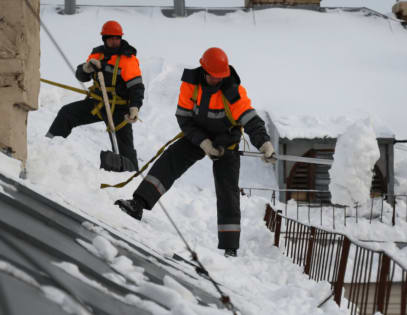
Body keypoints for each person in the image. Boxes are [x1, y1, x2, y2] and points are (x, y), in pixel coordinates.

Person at [115, 47, 275, 257]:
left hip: (227, 142)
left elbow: (250, 119)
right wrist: (204, 143)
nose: (217, 80)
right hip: (198, 136)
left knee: (228, 190)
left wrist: (264, 143)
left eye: (221, 77)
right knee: (170, 161)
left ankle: (230, 246)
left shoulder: (232, 91)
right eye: (213, 76)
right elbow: (184, 119)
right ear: (204, 70)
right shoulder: (191, 85)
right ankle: (138, 203)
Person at [46, 20, 144, 171]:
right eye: (111, 37)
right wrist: (86, 68)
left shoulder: (127, 59)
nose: (114, 40)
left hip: (118, 109)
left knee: (124, 149)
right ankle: (46, 148)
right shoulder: (97, 53)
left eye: (117, 37)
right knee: (67, 113)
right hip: (98, 104)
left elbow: (136, 87)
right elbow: (82, 77)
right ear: (104, 38)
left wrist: (135, 107)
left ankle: (129, 176)